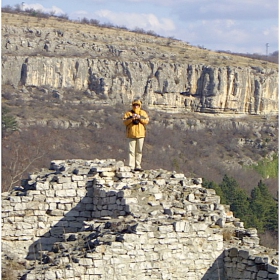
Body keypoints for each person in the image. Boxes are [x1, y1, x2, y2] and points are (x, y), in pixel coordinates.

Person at [123, 99, 149, 171]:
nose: (136, 106)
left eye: (137, 105)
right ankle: (131, 166)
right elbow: (124, 122)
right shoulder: (128, 113)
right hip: (131, 134)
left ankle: (138, 166)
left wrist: (139, 118)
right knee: (131, 151)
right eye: (134, 105)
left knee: (139, 151)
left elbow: (146, 121)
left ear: (140, 105)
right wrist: (132, 118)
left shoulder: (143, 113)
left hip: (140, 134)